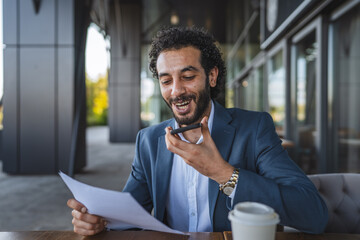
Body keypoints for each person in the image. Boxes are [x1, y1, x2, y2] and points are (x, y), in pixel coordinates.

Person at [67, 26, 328, 236]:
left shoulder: (254, 128)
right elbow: (128, 213)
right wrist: (98, 221)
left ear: (212, 77)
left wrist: (223, 173)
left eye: (188, 76)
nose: (176, 90)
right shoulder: (148, 141)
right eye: (166, 80)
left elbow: (313, 213)